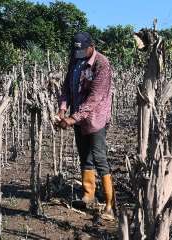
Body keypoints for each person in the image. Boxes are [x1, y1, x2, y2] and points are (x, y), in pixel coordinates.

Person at [56, 32, 114, 220]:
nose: (78, 53)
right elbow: (66, 87)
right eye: (76, 50)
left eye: (82, 50)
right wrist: (62, 109)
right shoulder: (75, 59)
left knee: (99, 158)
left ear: (92, 46)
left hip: (95, 118)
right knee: (84, 156)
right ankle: (88, 195)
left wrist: (72, 119)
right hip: (77, 118)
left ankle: (109, 205)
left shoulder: (101, 64)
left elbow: (94, 99)